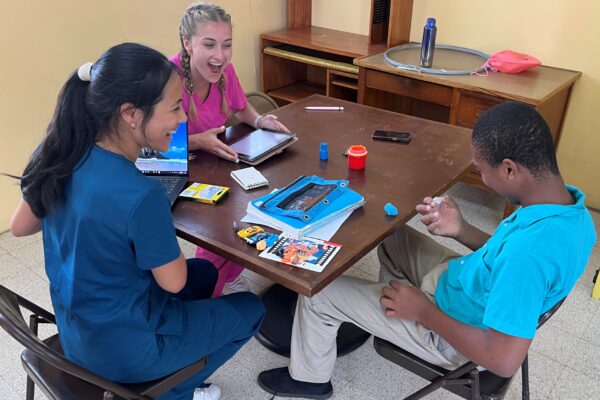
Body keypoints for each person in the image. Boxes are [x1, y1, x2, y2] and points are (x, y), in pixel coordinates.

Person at [257, 101, 597, 399]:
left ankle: (309, 381)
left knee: (318, 296)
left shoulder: (531, 255)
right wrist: (462, 230)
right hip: (466, 284)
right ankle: (386, 312)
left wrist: (422, 312)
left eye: (482, 171)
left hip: (452, 332)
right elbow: (504, 257)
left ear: (510, 168)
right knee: (389, 233)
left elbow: (503, 359)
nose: (483, 178)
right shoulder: (568, 209)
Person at [9, 42, 264, 400]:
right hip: (123, 354)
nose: (182, 119)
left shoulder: (60, 154)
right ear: (130, 114)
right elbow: (174, 283)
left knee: (206, 274)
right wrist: (155, 227)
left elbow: (20, 227)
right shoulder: (141, 194)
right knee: (252, 308)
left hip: (78, 330)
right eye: (175, 108)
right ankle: (174, 391)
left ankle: (176, 366)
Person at [171, 2, 290, 297]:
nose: (220, 56)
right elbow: (149, 142)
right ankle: (206, 293)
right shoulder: (167, 78)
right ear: (188, 43)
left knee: (247, 213)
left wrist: (262, 120)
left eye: (227, 45)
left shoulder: (225, 72)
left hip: (219, 164)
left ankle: (230, 275)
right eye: (209, 44)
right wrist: (197, 141)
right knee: (217, 229)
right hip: (177, 170)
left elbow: (241, 107)